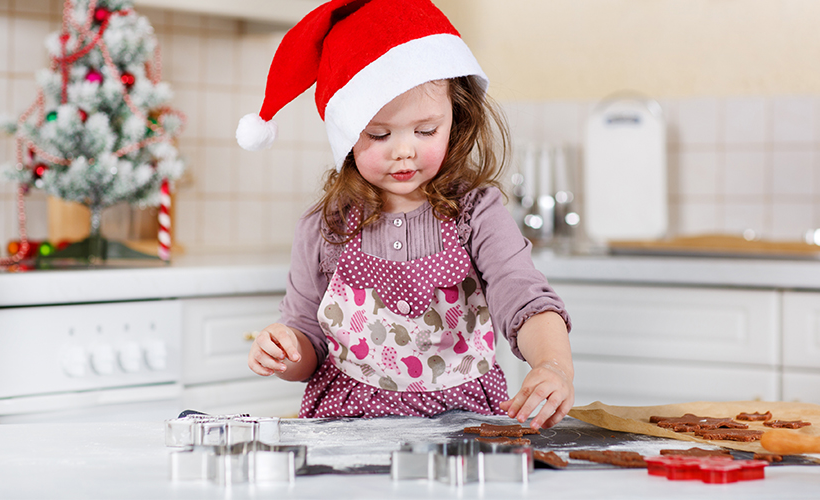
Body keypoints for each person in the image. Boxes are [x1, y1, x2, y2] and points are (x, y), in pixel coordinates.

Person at [238, 0, 574, 430]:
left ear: (457, 117)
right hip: (347, 425)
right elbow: (308, 340)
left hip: (462, 423)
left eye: (426, 130)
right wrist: (285, 350)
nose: (404, 150)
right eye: (379, 134)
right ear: (345, 135)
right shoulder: (325, 226)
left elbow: (523, 299)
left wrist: (553, 365)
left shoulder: (476, 213)